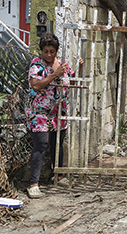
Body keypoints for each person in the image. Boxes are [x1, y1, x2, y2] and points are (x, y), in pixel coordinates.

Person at [26, 32, 82, 199]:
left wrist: (78, 68)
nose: (49, 55)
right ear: (41, 51)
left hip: (59, 112)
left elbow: (70, 82)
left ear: (57, 50)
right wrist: (54, 74)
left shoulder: (63, 64)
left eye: (52, 51)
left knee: (57, 144)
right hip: (39, 113)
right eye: (46, 51)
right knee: (41, 145)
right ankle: (33, 184)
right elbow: (36, 85)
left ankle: (58, 175)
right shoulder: (37, 64)